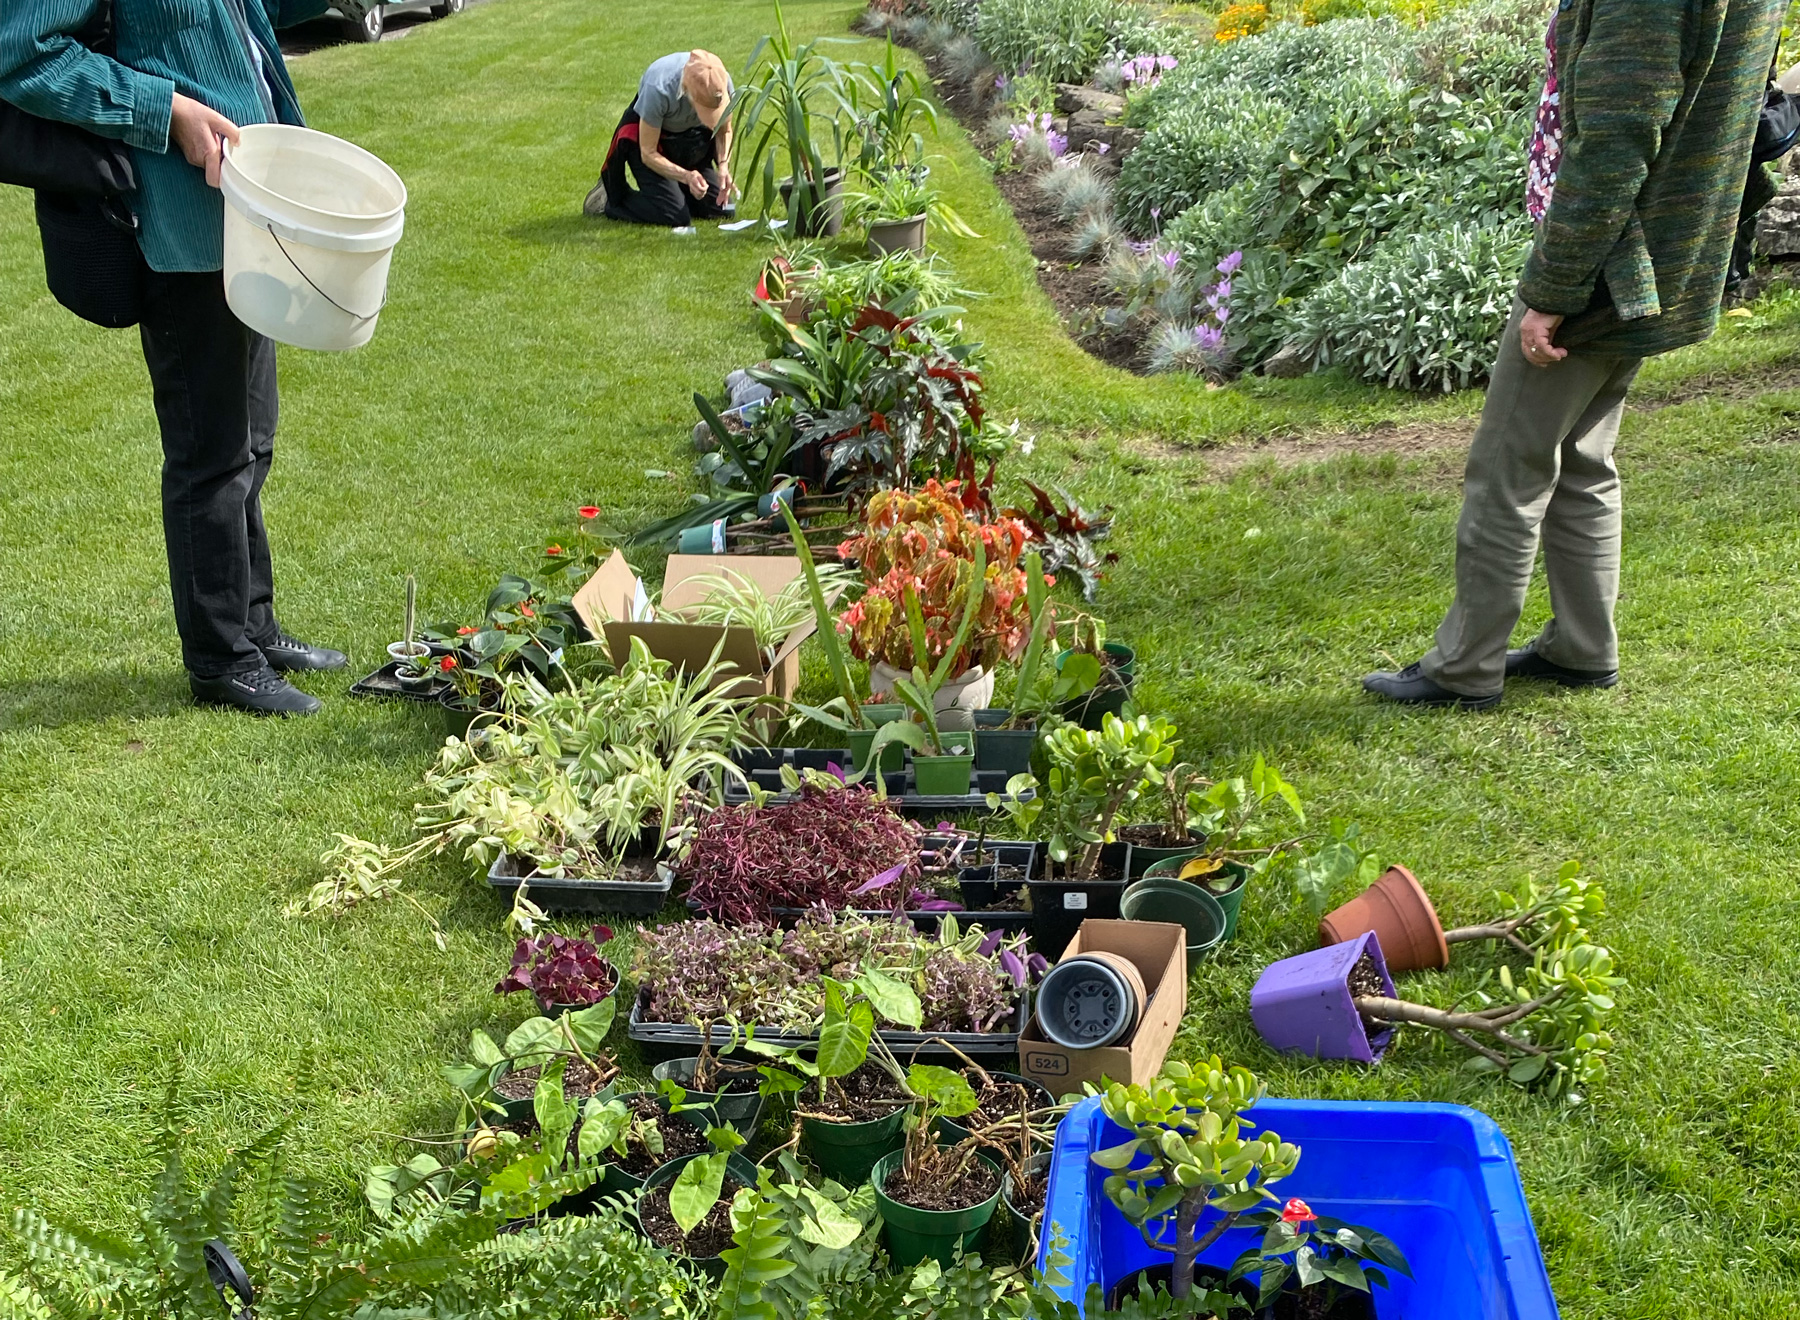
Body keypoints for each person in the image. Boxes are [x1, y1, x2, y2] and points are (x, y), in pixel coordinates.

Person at [1363, 0, 1789, 710]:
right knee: (1585, 453)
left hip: (1613, 262)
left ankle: (1465, 665)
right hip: (1663, 252)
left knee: (1509, 462)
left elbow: (1618, 138)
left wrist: (1554, 290)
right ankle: (1583, 648)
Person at [0, 0, 347, 717]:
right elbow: (21, 54)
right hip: (179, 223)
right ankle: (222, 661)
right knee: (211, 453)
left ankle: (252, 626)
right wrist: (166, 113)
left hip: (247, 216)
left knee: (252, 440)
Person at [585, 49, 735, 228]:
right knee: (674, 215)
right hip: (655, 143)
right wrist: (686, 177)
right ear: (689, 94)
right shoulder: (658, 87)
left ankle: (676, 195)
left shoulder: (720, 82)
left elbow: (724, 131)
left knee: (723, 209)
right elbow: (648, 153)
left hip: (691, 142)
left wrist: (723, 166)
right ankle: (607, 200)